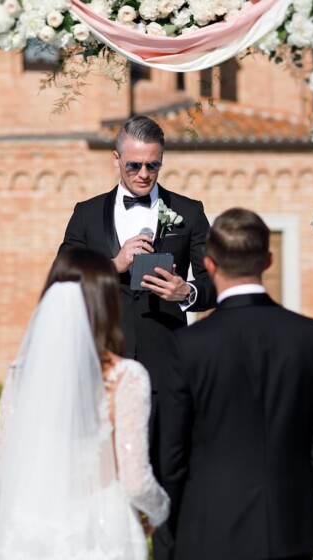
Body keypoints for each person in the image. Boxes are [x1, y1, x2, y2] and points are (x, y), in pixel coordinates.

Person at [57, 116, 215, 557]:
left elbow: (215, 281)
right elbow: (63, 278)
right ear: (116, 160)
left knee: (167, 476)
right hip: (103, 366)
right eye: (135, 166)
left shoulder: (189, 211)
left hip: (167, 365)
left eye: (153, 166)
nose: (144, 175)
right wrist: (115, 263)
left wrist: (188, 292)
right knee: (103, 476)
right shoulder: (86, 214)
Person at [159, 208, 313, 560]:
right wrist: (288, 493)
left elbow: (172, 458)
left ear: (209, 265)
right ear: (269, 260)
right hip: (288, 531)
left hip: (209, 532)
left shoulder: (187, 346)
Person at [0, 248, 170, 560]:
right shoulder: (125, 377)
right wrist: (161, 510)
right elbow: (135, 480)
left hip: (30, 530)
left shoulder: (21, 375)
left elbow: (3, 469)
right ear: (107, 302)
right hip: (100, 531)